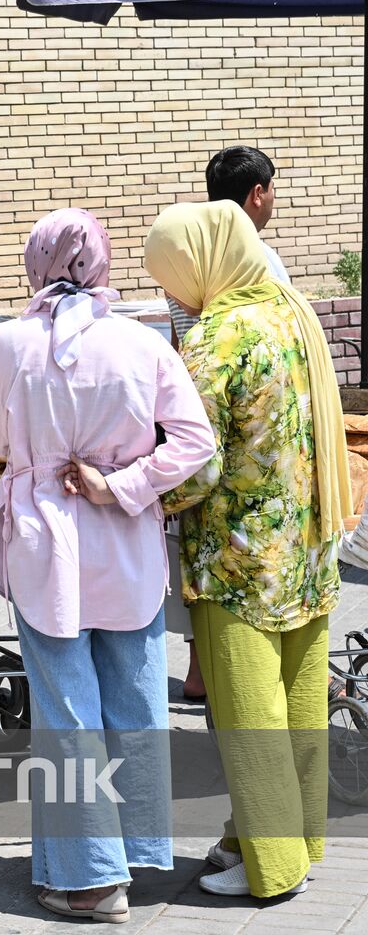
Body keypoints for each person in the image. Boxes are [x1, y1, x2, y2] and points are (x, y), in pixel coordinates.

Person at [0, 209, 215, 923]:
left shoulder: (8, 342)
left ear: (37, 262)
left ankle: (90, 882)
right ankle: (131, 855)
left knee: (66, 710)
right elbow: (193, 442)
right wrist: (125, 483)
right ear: (102, 265)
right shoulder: (143, 343)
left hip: (46, 537)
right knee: (135, 701)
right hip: (126, 537)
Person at [136, 201, 350, 898]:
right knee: (298, 708)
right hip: (308, 548)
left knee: (248, 716)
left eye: (170, 275)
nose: (170, 293)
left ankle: (272, 869)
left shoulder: (216, 338)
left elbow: (194, 466)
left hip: (237, 563)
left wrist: (128, 494)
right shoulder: (296, 312)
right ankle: (294, 842)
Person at [173, 145, 290, 700]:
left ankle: (204, 675)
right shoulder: (264, 269)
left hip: (215, 434)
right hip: (257, 456)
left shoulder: (191, 257)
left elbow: (195, 461)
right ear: (257, 193)